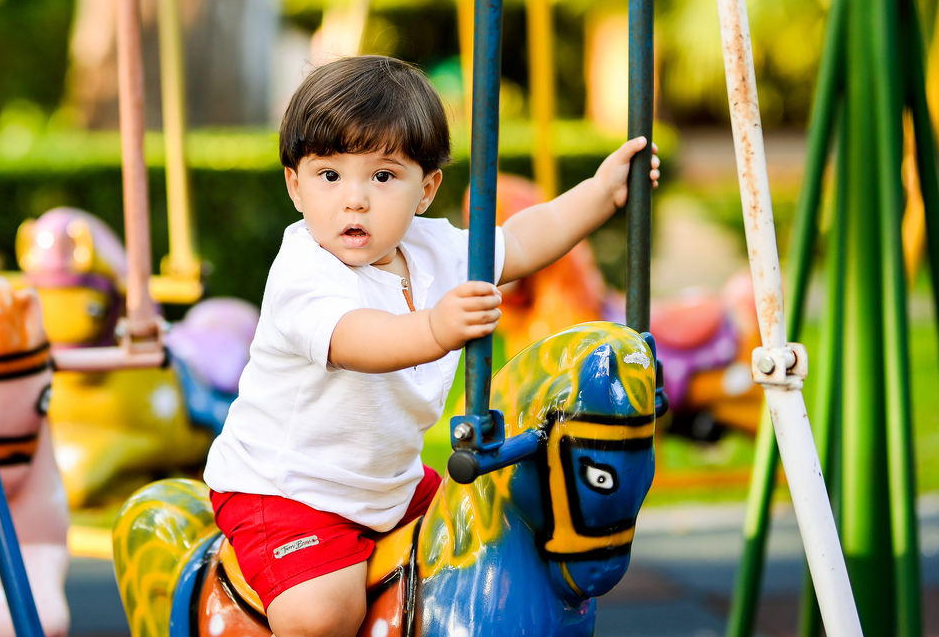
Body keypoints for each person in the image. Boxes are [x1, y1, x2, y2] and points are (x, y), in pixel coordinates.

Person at [203, 55, 660, 637]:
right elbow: (354, 339)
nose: (355, 199)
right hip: (288, 490)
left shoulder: (435, 250)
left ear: (427, 189)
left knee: (485, 538)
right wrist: (436, 331)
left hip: (389, 481)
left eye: (384, 176)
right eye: (330, 175)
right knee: (322, 616)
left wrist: (601, 194)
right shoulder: (303, 272)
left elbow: (520, 242)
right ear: (295, 185)